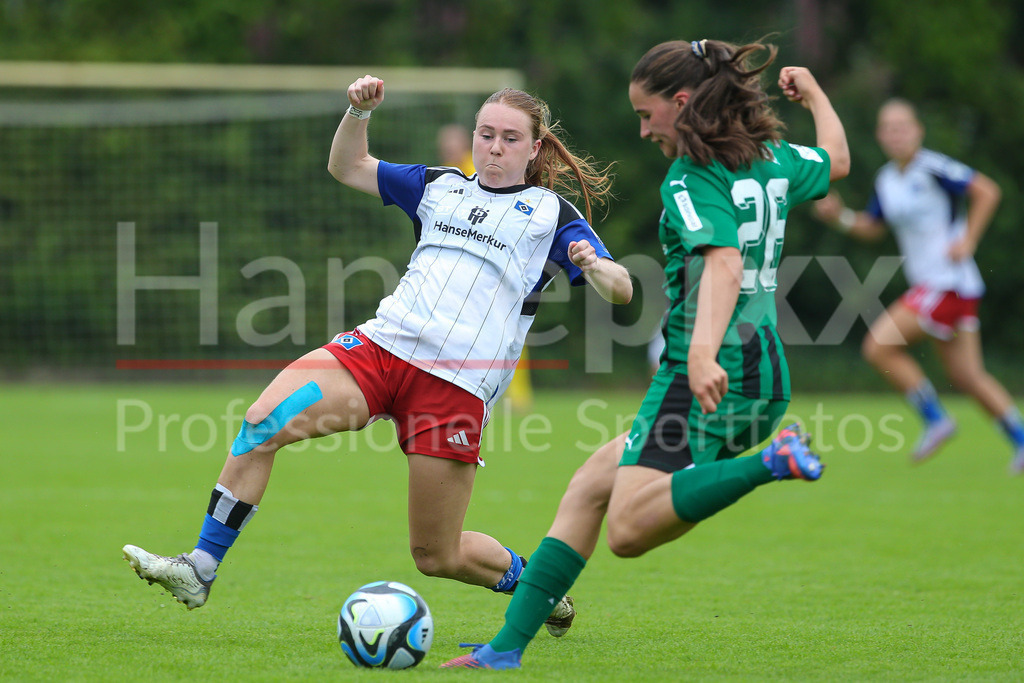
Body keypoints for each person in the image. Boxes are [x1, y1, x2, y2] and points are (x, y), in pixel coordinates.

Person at [122, 74, 633, 625]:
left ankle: (536, 586)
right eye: (486, 134)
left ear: (534, 148)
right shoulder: (440, 185)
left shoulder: (551, 215)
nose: (494, 147)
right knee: (262, 422)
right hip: (378, 351)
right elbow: (347, 167)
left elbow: (623, 289)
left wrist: (594, 264)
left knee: (437, 556)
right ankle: (200, 566)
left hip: (454, 386)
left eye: (510, 138)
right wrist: (357, 113)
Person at [442, 37, 850, 670]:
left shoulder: (692, 176)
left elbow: (722, 262)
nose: (642, 130)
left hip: (708, 368)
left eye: (645, 114)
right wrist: (818, 95)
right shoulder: (770, 159)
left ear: (681, 102)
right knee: (589, 489)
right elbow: (836, 161)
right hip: (763, 369)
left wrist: (701, 357)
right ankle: (505, 650)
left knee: (628, 531)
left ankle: (774, 460)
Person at [813, 98, 1024, 470]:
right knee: (968, 376)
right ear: (880, 136)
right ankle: (1020, 440)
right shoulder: (886, 180)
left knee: (878, 346)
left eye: (903, 126)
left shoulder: (933, 166)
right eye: (889, 128)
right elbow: (873, 228)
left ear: (918, 130)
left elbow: (987, 191)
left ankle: (935, 419)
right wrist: (841, 217)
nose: (896, 135)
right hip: (939, 287)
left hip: (947, 283)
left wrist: (969, 239)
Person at [437, 122, 535, 412]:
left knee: (509, 332)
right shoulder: (446, 177)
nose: (447, 149)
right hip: (461, 272)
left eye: (452, 144)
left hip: (494, 269)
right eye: (444, 145)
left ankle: (517, 396)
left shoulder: (483, 172)